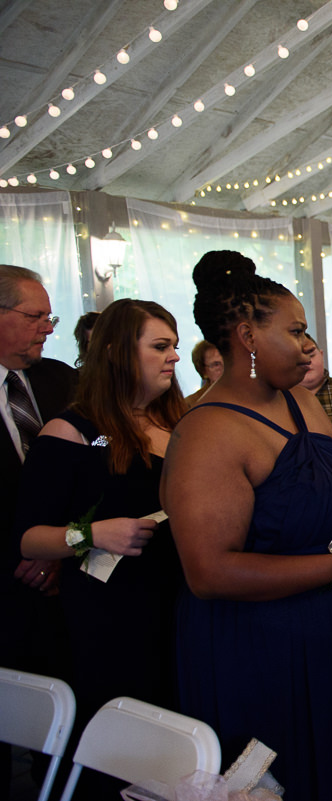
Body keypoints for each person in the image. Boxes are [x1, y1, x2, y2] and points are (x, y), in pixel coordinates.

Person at [163, 251, 332, 801]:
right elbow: (209, 572)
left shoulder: (303, 401)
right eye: (297, 330)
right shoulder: (207, 434)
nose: (308, 344)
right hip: (271, 648)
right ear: (248, 336)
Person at [18, 299, 187, 799]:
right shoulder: (70, 431)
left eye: (175, 346)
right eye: (159, 347)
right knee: (120, 739)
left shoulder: (180, 423)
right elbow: (29, 536)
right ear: (115, 352)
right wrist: (92, 534)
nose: (173, 357)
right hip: (110, 615)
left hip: (178, 603)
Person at [0, 265, 76, 798]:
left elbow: (94, 474)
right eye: (35, 316)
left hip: (65, 583)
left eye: (50, 316)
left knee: (67, 726)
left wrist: (57, 552)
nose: (48, 327)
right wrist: (20, 556)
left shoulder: (60, 382)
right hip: (4, 588)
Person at [298, 334, 332, 441]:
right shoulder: (280, 397)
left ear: (321, 355)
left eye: (311, 355)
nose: (307, 362)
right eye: (299, 358)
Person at [184, 340, 223, 406]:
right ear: (203, 371)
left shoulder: (244, 394)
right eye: (216, 364)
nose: (225, 369)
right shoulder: (191, 404)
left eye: (228, 362)